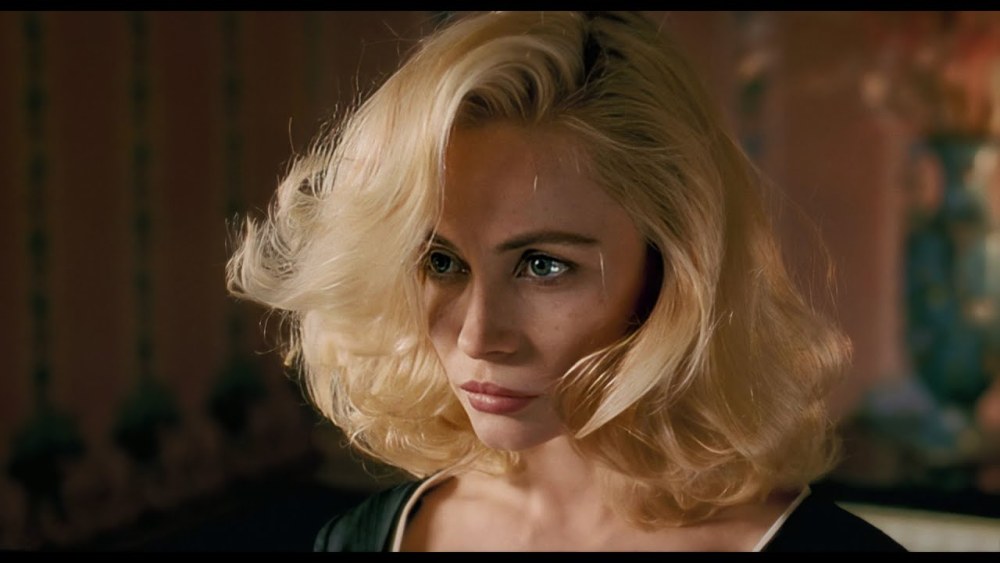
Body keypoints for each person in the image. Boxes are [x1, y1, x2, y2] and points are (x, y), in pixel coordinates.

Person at [226, 11, 906, 552]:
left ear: (672, 265)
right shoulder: (366, 540)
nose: (479, 335)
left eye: (543, 265)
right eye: (441, 262)